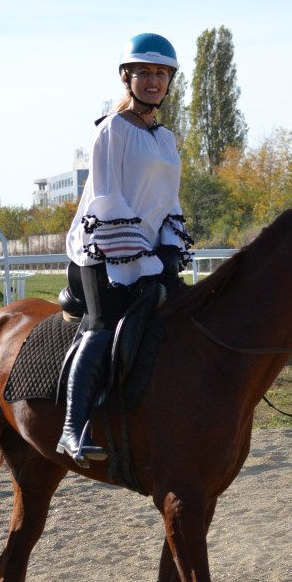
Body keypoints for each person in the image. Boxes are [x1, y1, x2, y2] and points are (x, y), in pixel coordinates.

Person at [56, 32, 192, 467]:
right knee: (102, 324)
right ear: (126, 77)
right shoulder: (111, 131)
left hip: (149, 252)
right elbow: (107, 199)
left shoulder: (166, 138)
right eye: (145, 73)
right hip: (101, 249)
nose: (153, 81)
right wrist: (140, 256)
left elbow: (168, 200)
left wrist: (169, 247)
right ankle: (72, 431)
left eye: (161, 74)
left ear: (169, 82)